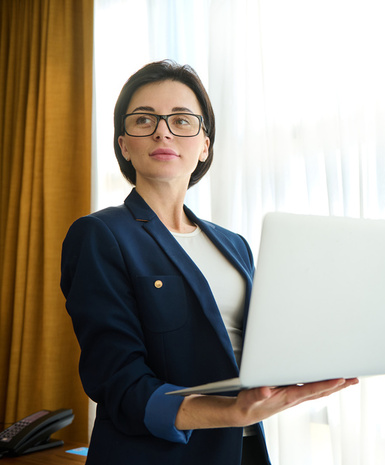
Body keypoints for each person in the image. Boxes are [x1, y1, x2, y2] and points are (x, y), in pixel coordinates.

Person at [60, 60, 358, 465]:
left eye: (182, 120)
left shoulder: (233, 246)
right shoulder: (101, 234)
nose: (163, 130)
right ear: (124, 144)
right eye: (144, 119)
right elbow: (119, 382)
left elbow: (257, 352)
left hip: (244, 448)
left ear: (204, 145)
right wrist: (230, 411)